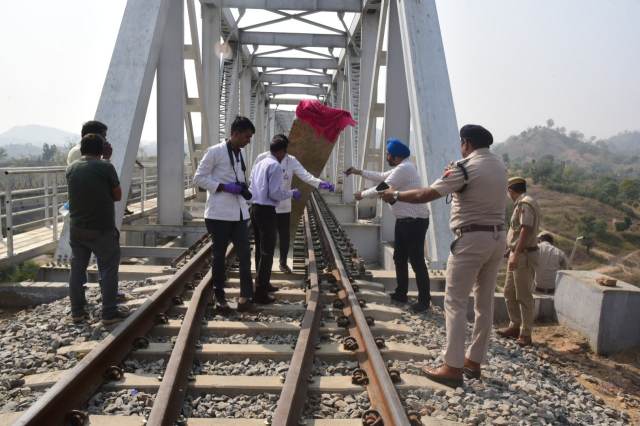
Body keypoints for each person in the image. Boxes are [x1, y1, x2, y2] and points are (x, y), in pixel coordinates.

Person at [381, 124, 507, 388]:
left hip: (472, 239)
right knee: (485, 304)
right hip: (497, 239)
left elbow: (427, 194)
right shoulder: (499, 165)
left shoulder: (465, 168)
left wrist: (395, 195)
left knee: (456, 302)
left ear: (466, 143)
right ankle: (474, 362)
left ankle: (452, 367)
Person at [346, 138, 431, 313]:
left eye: (388, 154)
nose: (386, 156)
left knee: (416, 261)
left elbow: (383, 186)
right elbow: (381, 176)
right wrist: (358, 172)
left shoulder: (405, 168)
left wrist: (362, 194)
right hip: (404, 221)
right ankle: (401, 293)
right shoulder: (401, 168)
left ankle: (424, 301)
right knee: (399, 258)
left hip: (415, 222)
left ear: (396, 156)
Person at [193, 116, 255, 312]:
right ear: (235, 134)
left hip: (239, 214)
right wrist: (223, 187)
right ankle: (219, 296)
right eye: (246, 136)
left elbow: (238, 177)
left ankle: (246, 296)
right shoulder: (215, 152)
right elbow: (198, 178)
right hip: (218, 214)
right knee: (219, 256)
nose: (249, 141)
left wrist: (242, 188)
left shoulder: (240, 154)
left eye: (250, 137)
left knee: (245, 254)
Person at [66, 133, 128, 325]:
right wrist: (107, 159)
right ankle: (109, 313)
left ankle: (77, 312)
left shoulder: (71, 168)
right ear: (101, 150)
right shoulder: (105, 166)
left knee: (77, 270)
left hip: (77, 229)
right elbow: (117, 195)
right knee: (108, 269)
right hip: (101, 230)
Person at [253, 142, 334, 273]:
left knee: (284, 237)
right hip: (266, 205)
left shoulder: (291, 161)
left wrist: (320, 184)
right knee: (264, 240)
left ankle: (283, 263)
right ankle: (260, 268)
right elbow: (253, 178)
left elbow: (305, 175)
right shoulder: (262, 158)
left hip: (283, 205)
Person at [249, 135, 301, 303]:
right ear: (281, 151)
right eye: (285, 152)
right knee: (268, 251)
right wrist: (291, 193)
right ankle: (261, 293)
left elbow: (252, 186)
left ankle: (263, 283)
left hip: (255, 209)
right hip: (266, 210)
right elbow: (275, 193)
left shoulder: (260, 163)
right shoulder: (275, 166)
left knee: (260, 249)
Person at [497, 177, 541, 347]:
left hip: (523, 255)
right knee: (509, 292)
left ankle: (526, 333)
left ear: (511, 190)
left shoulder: (525, 204)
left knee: (523, 295)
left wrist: (516, 252)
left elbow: (525, 229)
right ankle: (514, 325)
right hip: (517, 253)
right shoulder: (523, 203)